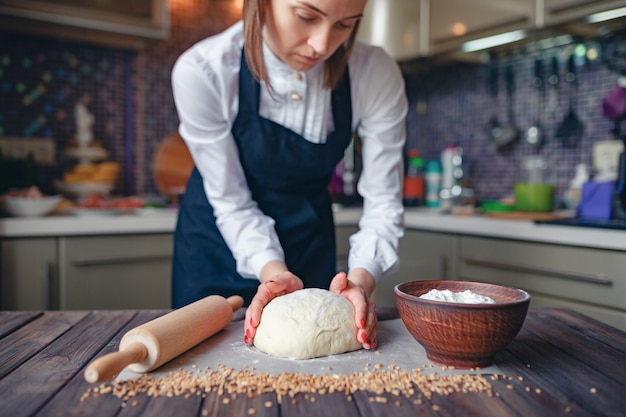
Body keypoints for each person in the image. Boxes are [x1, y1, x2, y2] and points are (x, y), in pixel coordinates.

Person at [171, 0, 408, 350]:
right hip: (215, 245)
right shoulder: (204, 71)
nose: (323, 46)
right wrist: (273, 274)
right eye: (306, 17)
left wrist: (359, 281)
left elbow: (384, 203)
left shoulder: (374, 72)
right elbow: (232, 202)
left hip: (308, 240)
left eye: (346, 25)